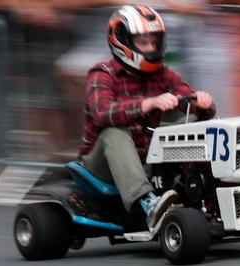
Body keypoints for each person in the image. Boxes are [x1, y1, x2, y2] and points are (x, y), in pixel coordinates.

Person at [77, 4, 216, 229]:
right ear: (122, 40)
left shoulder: (162, 72)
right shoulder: (102, 73)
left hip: (147, 160)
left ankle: (206, 190)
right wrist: (148, 104)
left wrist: (203, 103)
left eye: (154, 40)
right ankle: (148, 203)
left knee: (193, 124)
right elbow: (102, 114)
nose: (151, 46)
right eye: (144, 41)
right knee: (114, 132)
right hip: (101, 166)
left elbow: (196, 105)